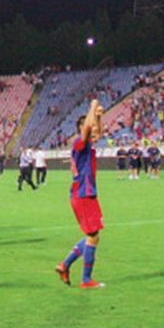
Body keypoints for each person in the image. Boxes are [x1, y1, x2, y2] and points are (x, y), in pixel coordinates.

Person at [54, 99, 106, 290]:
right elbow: (87, 133)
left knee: (93, 235)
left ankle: (64, 265)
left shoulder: (87, 145)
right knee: (92, 236)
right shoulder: (79, 143)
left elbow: (97, 133)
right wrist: (92, 107)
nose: (94, 133)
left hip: (84, 194)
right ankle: (86, 280)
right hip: (83, 194)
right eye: (90, 128)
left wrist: (98, 117)